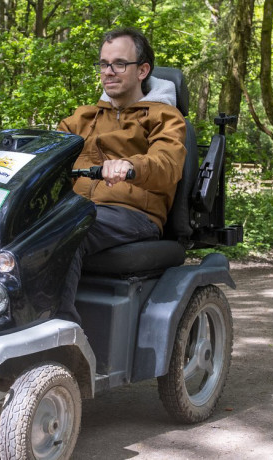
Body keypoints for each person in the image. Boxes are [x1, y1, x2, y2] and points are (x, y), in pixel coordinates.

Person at [55, 27, 187, 323]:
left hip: (133, 213)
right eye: (104, 64)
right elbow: (50, 151)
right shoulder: (83, 118)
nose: (108, 72)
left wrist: (130, 166)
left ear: (142, 70)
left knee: (66, 228)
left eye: (119, 64)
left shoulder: (164, 116)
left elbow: (167, 163)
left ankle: (60, 332)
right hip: (80, 209)